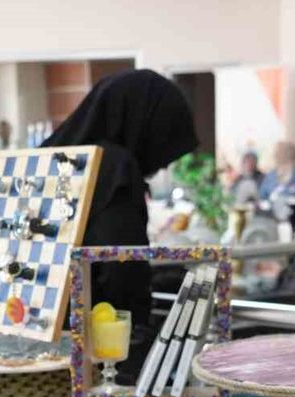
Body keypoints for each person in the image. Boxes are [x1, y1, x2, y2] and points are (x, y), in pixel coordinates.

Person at [42, 69, 198, 380]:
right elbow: (120, 268)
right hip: (83, 363)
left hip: (27, 346)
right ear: (146, 124)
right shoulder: (115, 168)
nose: (164, 162)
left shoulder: (56, 158)